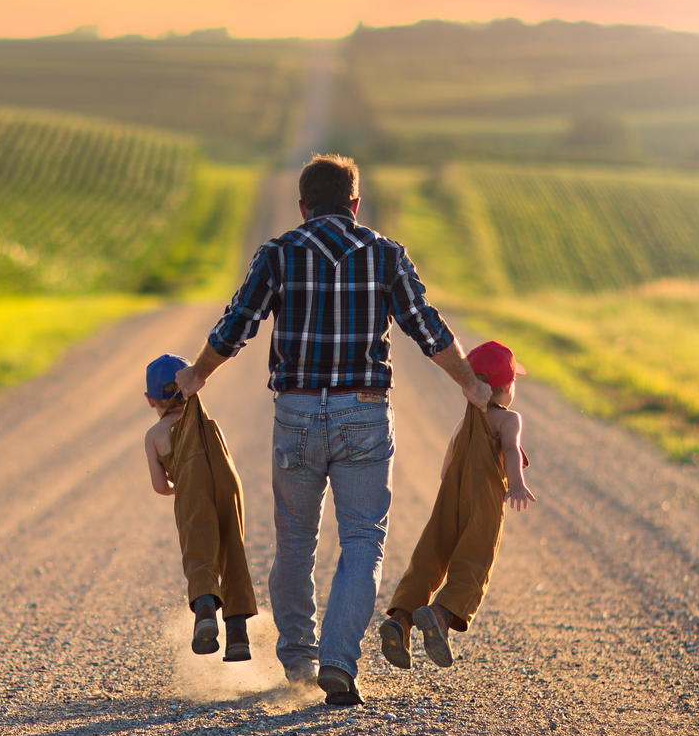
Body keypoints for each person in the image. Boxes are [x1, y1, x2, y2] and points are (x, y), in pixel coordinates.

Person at [172, 155, 488, 706]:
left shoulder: (278, 254)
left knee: (295, 542)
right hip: (363, 412)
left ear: (303, 206)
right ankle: (340, 662)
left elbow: (235, 326)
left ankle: (300, 660)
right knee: (363, 541)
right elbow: (430, 330)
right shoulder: (386, 254)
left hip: (294, 414)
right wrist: (471, 385)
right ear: (355, 204)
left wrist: (196, 375)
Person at [379, 339, 535, 669]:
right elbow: (509, 450)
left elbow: (446, 467)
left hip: (449, 497)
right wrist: (517, 484)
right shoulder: (508, 420)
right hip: (485, 501)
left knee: (430, 556)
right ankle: (440, 614)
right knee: (474, 560)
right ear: (506, 387)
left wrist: (453, 493)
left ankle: (401, 619)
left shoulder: (462, 425)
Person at [142, 353, 255, 661]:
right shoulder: (206, 422)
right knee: (232, 551)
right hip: (228, 486)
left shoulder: (155, 436)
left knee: (199, 552)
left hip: (192, 491)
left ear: (150, 400)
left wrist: (187, 485)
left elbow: (160, 486)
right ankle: (238, 638)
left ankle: (205, 611)